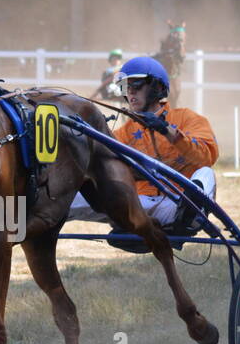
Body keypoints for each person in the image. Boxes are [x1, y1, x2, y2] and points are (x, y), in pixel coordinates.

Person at [70, 55, 218, 228]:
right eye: (126, 86)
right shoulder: (123, 134)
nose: (130, 91)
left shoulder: (188, 118)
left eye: (136, 85)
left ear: (157, 87)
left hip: (177, 203)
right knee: (59, 194)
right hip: (138, 205)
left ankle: (190, 215)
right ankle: (27, 225)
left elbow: (206, 157)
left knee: (206, 173)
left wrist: (166, 130)